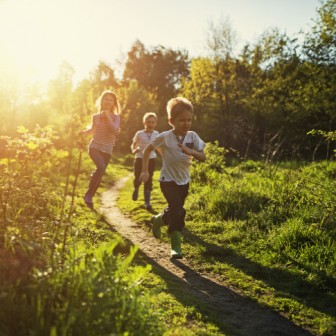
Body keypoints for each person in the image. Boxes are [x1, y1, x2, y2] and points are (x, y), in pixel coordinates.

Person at [140, 97, 206, 259]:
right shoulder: (165, 136)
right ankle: (176, 246)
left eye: (189, 119)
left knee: (174, 210)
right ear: (171, 121)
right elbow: (147, 150)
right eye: (182, 120)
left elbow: (203, 157)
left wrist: (191, 152)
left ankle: (158, 220)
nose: (186, 123)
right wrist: (145, 171)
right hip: (167, 180)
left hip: (184, 182)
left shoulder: (193, 136)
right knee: (179, 211)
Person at [80, 90, 121, 208]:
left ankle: (90, 196)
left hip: (108, 149)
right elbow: (93, 130)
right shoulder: (96, 117)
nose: (108, 101)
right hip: (95, 147)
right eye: (106, 99)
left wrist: (107, 117)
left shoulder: (116, 117)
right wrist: (83, 132)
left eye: (111, 100)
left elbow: (114, 130)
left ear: (114, 103)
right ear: (102, 101)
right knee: (101, 167)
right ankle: (88, 195)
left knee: (100, 171)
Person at [131, 112, 159, 210]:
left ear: (155, 123)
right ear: (144, 122)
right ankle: (136, 188)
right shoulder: (139, 133)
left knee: (149, 178)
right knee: (137, 176)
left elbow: (159, 146)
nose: (150, 124)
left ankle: (147, 202)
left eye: (152, 122)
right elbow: (134, 144)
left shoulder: (156, 134)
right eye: (148, 122)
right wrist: (134, 150)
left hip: (151, 159)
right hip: (139, 158)